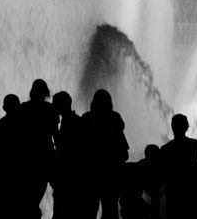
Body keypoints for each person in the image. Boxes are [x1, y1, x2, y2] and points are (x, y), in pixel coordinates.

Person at [11, 78, 58, 217]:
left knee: (27, 199)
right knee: (39, 195)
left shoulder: (23, 108)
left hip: (26, 158)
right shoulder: (50, 109)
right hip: (45, 157)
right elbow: (55, 133)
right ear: (46, 93)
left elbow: (16, 135)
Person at [81, 89, 129, 219]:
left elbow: (81, 149)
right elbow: (124, 153)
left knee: (89, 210)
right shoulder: (115, 119)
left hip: (91, 173)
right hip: (111, 174)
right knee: (110, 209)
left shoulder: (86, 119)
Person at [159, 114, 197, 219]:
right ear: (187, 127)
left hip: (173, 192)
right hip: (190, 191)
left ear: (172, 127)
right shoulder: (195, 144)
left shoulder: (165, 149)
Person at [51, 91, 86, 219]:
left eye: (54, 105)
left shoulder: (68, 123)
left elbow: (62, 148)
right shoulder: (76, 120)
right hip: (75, 177)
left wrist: (54, 129)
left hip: (68, 177)